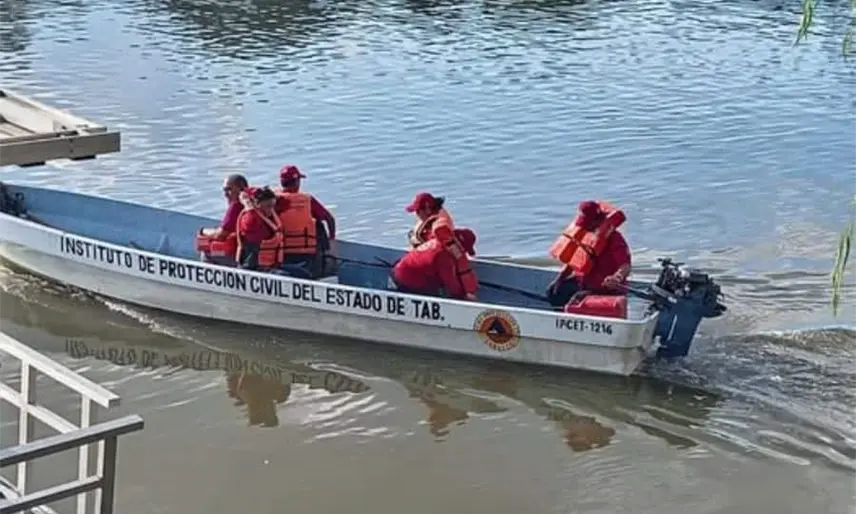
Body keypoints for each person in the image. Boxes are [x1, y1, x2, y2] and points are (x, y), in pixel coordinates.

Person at [545, 200, 631, 309]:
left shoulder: (615, 239)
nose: (585, 227)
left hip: (604, 289)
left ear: (597, 221)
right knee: (553, 292)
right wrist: (559, 279)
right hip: (585, 283)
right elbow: (574, 260)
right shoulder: (583, 234)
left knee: (576, 301)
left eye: (588, 223)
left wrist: (616, 277)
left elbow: (625, 265)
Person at [391, 228, 479, 301]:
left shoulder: (438, 239)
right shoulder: (444, 257)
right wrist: (465, 296)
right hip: (406, 282)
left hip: (398, 269)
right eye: (463, 250)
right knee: (441, 292)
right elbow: (453, 288)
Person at [236, 187, 284, 271]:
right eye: (268, 206)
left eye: (273, 206)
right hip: (252, 268)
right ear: (256, 204)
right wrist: (248, 204)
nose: (271, 210)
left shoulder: (268, 217)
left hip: (270, 266)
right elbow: (252, 223)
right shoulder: (249, 218)